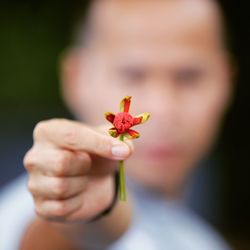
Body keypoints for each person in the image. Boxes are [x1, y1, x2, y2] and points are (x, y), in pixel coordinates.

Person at [0, 0, 234, 249]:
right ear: (75, 79)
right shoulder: (34, 206)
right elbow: (59, 233)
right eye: (132, 75)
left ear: (226, 81)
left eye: (189, 76)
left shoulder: (199, 238)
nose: (162, 109)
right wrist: (84, 210)